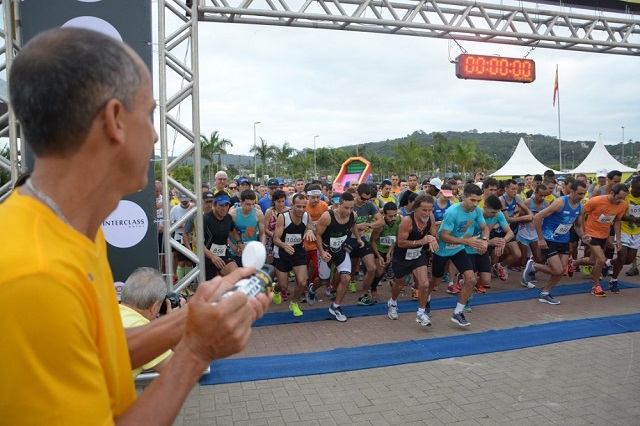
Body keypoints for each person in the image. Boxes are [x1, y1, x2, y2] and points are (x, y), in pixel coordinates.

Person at [0, 27, 270, 424]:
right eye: (149, 114)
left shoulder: (77, 231)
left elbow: (97, 354)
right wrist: (196, 351)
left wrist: (194, 313)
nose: (157, 135)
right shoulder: (34, 276)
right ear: (114, 121)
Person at [427, 184, 489, 327]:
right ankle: (427, 297)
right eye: (472, 200)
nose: (475, 204)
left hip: (458, 249)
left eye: (478, 201)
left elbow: (484, 228)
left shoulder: (477, 210)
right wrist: (466, 241)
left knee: (471, 279)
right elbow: (444, 237)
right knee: (436, 281)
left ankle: (458, 312)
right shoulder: (452, 212)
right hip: (443, 249)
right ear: (463, 197)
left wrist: (485, 240)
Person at [523, 181, 587, 304]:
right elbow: (537, 217)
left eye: (584, 194)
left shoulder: (580, 206)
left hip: (563, 239)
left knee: (561, 271)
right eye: (579, 193)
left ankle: (545, 293)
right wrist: (540, 238)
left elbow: (578, 226)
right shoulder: (560, 202)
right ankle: (534, 266)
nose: (582, 196)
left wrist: (583, 237)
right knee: (557, 270)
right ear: (572, 191)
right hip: (549, 238)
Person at [307, 192, 364, 322]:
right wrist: (321, 252)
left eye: (351, 208)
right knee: (323, 280)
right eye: (346, 208)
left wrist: (359, 238)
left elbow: (353, 225)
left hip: (340, 250)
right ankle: (312, 288)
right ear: (339, 204)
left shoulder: (352, 215)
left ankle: (336, 306)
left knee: (346, 278)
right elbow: (318, 235)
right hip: (326, 250)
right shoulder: (328, 217)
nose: (349, 211)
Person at [386, 195, 439, 325]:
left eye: (430, 210)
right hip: (402, 256)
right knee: (400, 284)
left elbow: (434, 234)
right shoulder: (407, 221)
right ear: (416, 208)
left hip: (417, 255)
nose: (427, 213)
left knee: (425, 284)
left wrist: (432, 238)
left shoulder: (430, 218)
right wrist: (421, 241)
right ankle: (392, 302)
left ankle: (421, 313)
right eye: (424, 210)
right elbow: (401, 242)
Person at [119, 267, 181, 377]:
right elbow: (179, 372)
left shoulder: (108, 312)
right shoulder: (140, 329)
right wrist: (176, 323)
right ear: (155, 306)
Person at [569, 183, 628, 296]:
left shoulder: (622, 205)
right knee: (601, 260)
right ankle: (596, 286)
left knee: (593, 261)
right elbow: (581, 212)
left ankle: (573, 263)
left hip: (603, 235)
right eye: (619, 197)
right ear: (612, 193)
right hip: (591, 234)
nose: (621, 200)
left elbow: (617, 221)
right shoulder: (596, 200)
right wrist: (582, 231)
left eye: (623, 198)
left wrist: (618, 239)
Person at [273, 193, 315, 316]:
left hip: (298, 251)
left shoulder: (306, 216)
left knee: (302, 282)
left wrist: (310, 231)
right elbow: (275, 239)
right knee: (283, 286)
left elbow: (309, 227)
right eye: (298, 206)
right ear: (292, 206)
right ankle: (276, 288)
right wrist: (284, 245)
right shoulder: (283, 217)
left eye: (303, 206)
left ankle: (294, 303)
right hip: (283, 252)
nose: (301, 209)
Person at [609, 177, 640, 293]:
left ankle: (608, 263)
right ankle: (614, 280)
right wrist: (634, 219)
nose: (639, 192)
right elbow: (619, 216)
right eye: (638, 190)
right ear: (633, 187)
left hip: (637, 233)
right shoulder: (625, 198)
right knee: (622, 257)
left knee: (628, 260)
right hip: (624, 231)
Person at [369, 202, 401, 301]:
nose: (393, 218)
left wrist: (389, 252)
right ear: (384, 215)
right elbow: (372, 241)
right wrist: (378, 256)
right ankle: (372, 288)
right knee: (378, 271)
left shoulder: (399, 220)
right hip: (378, 248)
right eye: (390, 216)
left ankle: (375, 284)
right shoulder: (380, 226)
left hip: (389, 248)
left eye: (395, 215)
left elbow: (396, 237)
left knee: (382, 270)